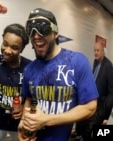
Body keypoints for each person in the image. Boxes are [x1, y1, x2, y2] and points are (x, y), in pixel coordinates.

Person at [17, 8, 99, 141]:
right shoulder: (29, 70)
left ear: (55, 33)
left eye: (42, 28)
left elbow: (90, 107)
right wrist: (23, 122)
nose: (36, 35)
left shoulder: (77, 62)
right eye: (30, 29)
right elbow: (28, 100)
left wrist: (47, 120)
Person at [74, 42, 113, 141]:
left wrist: (106, 117)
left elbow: (111, 93)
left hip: (101, 105)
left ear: (103, 51)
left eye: (98, 50)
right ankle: (79, 135)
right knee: (82, 120)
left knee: (91, 128)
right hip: (91, 100)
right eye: (94, 50)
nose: (95, 53)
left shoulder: (108, 66)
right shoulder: (95, 62)